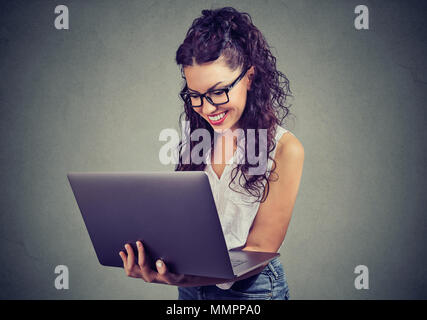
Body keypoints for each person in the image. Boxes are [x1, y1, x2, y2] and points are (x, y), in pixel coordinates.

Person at [119, 6, 304, 300]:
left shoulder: (284, 148)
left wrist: (189, 273)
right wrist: (156, 258)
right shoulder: (197, 139)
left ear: (249, 77)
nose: (207, 108)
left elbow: (259, 249)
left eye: (218, 92)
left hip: (252, 291)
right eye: (195, 96)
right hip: (191, 288)